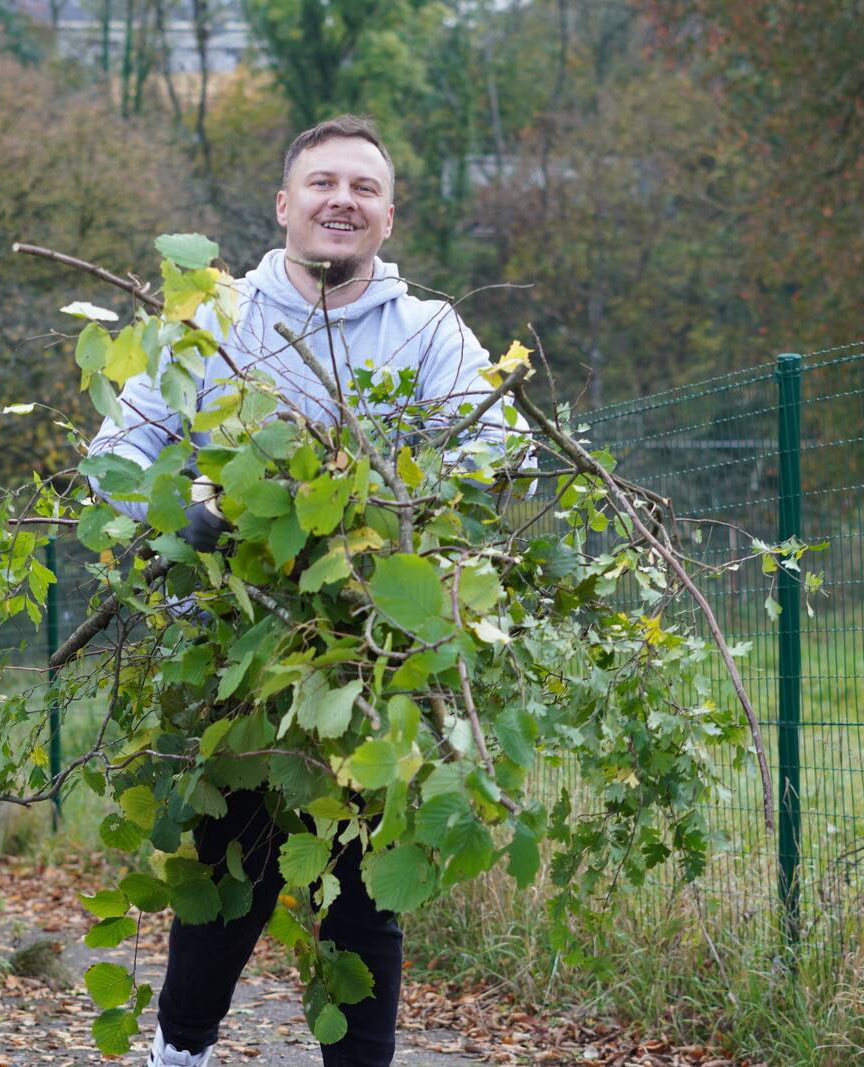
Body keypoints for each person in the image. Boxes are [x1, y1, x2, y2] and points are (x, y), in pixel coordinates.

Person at [86, 115, 523, 1067]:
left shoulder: (433, 331)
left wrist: (416, 497)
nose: (343, 201)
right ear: (285, 206)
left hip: (377, 647)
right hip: (232, 643)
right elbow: (114, 454)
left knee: (366, 889)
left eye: (363, 189)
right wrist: (174, 518)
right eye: (323, 184)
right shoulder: (211, 322)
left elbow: (498, 445)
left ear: (388, 217)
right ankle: (180, 1049)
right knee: (229, 869)